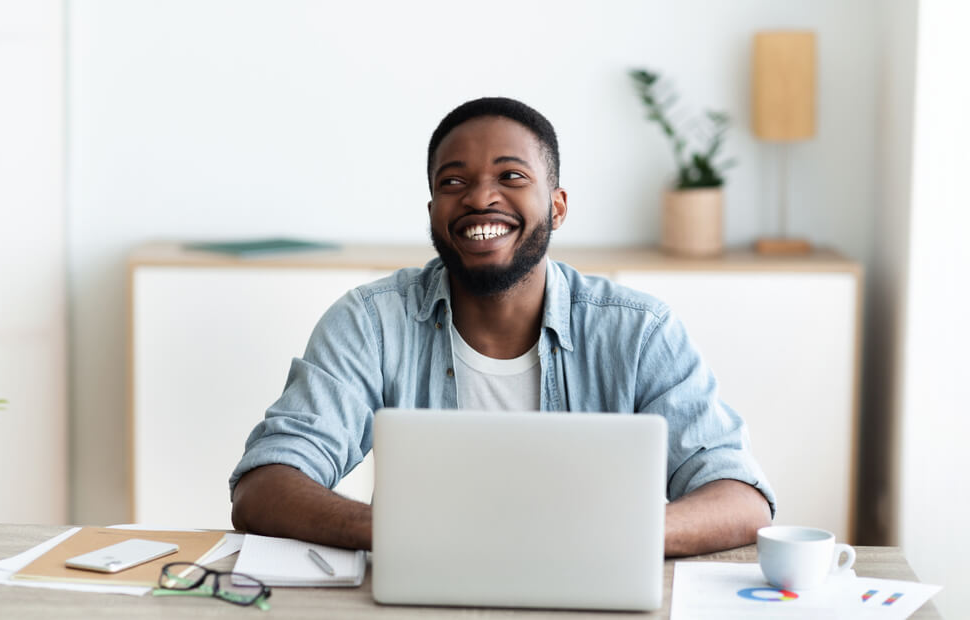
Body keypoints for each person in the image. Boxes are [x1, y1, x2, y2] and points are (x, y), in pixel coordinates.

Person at [230, 97, 774, 557]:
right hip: (423, 587)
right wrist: (400, 536)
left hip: (593, 583)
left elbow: (740, 498)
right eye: (453, 181)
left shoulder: (638, 331)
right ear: (434, 208)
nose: (479, 196)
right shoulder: (371, 322)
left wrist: (610, 539)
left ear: (557, 206)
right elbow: (264, 486)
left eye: (511, 176)